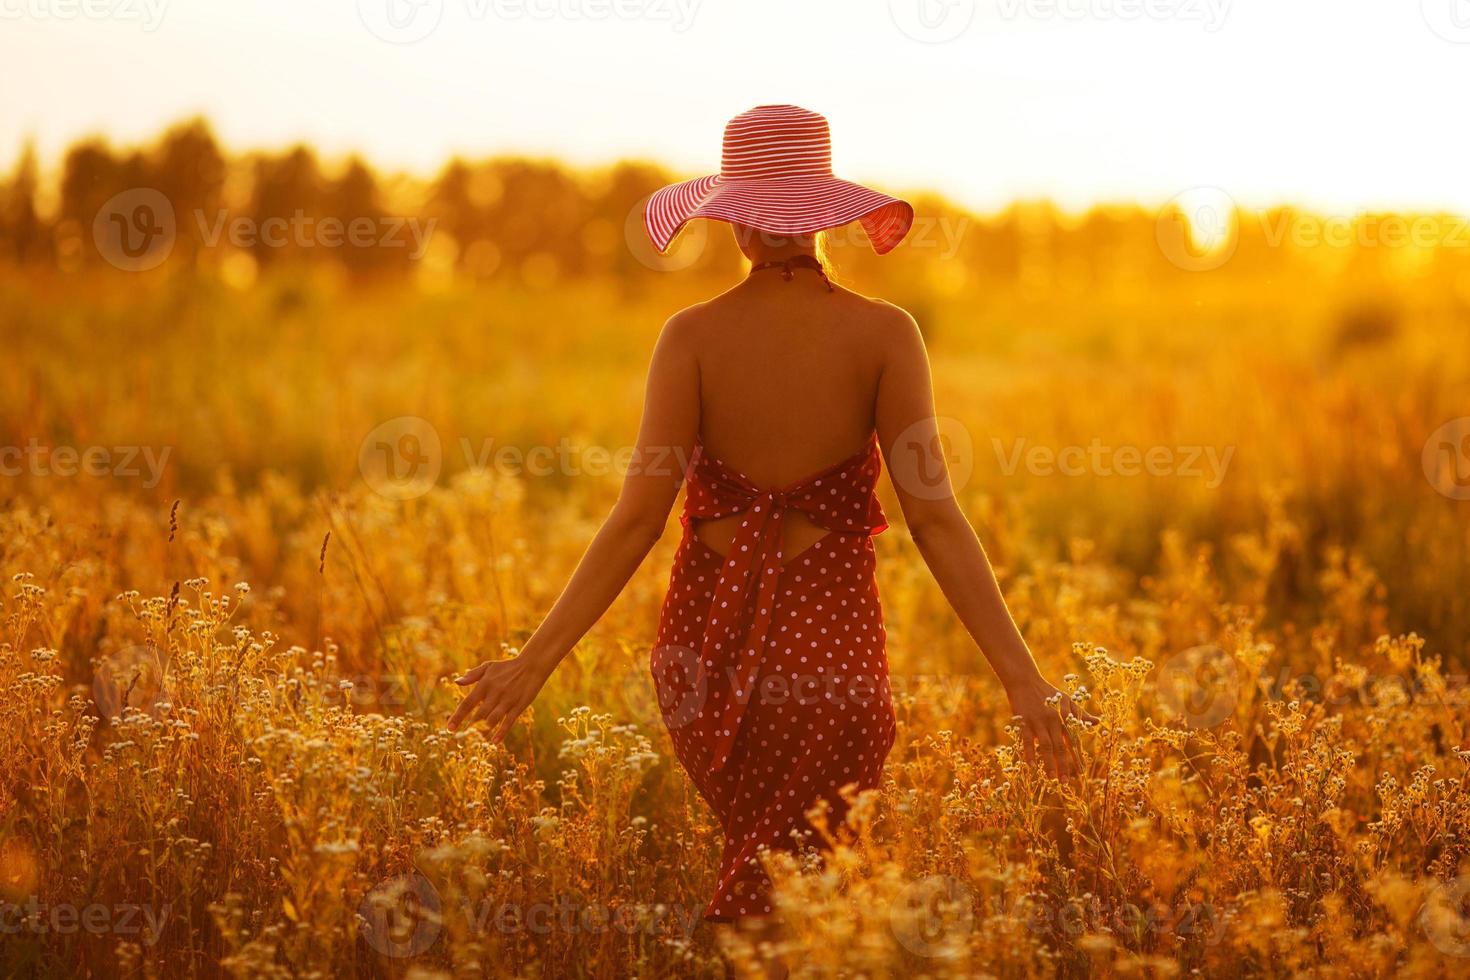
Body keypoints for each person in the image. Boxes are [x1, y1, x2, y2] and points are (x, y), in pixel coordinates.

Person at [448, 104, 1090, 928]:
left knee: (770, 889)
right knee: (804, 899)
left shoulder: (690, 338)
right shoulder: (888, 335)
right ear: (823, 217)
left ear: (736, 225)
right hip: (835, 656)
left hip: (702, 657)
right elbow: (935, 519)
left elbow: (636, 521)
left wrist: (532, 664)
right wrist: (1022, 680)